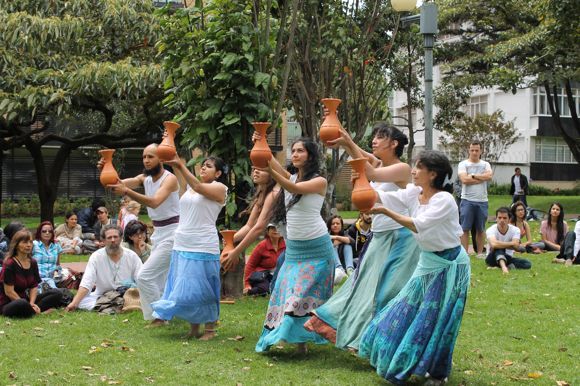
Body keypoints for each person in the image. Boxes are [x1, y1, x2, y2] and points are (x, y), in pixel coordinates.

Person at [305, 123, 421, 351]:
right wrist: (345, 142)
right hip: (380, 236)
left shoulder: (403, 169)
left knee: (390, 290)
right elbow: (364, 158)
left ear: (394, 143)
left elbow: (370, 172)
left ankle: (383, 342)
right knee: (362, 287)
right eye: (374, 136)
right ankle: (365, 339)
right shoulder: (378, 162)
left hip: (402, 238)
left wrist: (347, 141)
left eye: (380, 137)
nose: (374, 140)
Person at [359, 150, 470, 385]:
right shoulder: (413, 193)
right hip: (428, 261)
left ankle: (438, 373)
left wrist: (387, 212)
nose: (413, 171)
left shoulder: (444, 200)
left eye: (418, 167)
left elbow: (420, 226)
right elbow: (380, 196)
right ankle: (398, 361)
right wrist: (361, 183)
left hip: (451, 266)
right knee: (401, 308)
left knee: (439, 318)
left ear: (432, 174)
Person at [255, 138, 335, 354]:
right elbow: (272, 161)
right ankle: (291, 339)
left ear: (310, 155)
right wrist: (261, 140)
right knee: (287, 293)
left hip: (317, 248)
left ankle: (300, 342)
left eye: (301, 150)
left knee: (301, 295)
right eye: (293, 151)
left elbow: (291, 186)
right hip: (295, 249)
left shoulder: (319, 181)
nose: (296, 154)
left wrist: (271, 169)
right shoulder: (290, 176)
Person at [151, 155, 227, 341]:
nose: (203, 168)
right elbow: (185, 183)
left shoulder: (219, 188)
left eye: (208, 167)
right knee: (187, 289)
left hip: (203, 245)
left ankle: (209, 329)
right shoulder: (189, 190)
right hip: (182, 243)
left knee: (204, 288)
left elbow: (199, 187)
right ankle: (194, 328)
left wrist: (180, 164)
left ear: (217, 173)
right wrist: (175, 161)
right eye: (202, 166)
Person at [105, 143, 180, 324]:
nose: (146, 160)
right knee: (160, 279)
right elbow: (118, 183)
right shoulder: (144, 178)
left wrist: (127, 191)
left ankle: (160, 317)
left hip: (174, 233)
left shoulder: (170, 179)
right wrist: (106, 167)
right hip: (159, 233)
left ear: (161, 158)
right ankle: (164, 315)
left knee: (144, 275)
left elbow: (154, 202)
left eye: (151, 156)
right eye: (144, 157)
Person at [220, 167, 280, 299]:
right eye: (254, 169)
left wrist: (235, 252)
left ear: (273, 173)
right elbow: (249, 226)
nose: (255, 172)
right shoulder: (262, 194)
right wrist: (232, 239)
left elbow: (259, 228)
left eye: (262, 169)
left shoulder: (274, 193)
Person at [65, 225, 142, 312]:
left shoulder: (131, 256)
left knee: (141, 298)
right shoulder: (96, 257)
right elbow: (87, 282)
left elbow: (141, 279)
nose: (113, 240)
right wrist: (74, 303)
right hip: (102, 295)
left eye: (115, 237)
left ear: (121, 238)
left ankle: (112, 306)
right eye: (109, 238)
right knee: (81, 302)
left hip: (127, 295)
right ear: (104, 240)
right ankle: (117, 306)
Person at [0, 230, 63, 318]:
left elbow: (34, 286)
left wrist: (32, 303)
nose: (29, 245)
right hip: (10, 303)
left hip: (26, 300)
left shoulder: (33, 262)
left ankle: (33, 310)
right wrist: (28, 305)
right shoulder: (9, 264)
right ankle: (39, 313)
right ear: (16, 245)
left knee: (57, 293)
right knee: (21, 303)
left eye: (30, 242)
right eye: (25, 242)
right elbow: (9, 292)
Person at [458, 141, 493, 257]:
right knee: (465, 228)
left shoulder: (485, 164)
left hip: (482, 201)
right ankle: (464, 253)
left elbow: (489, 176)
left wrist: (472, 175)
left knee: (481, 229)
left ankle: (479, 253)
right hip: (467, 200)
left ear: (481, 151)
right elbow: (464, 180)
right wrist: (481, 178)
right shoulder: (463, 164)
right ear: (469, 150)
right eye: (472, 150)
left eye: (477, 150)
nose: (474, 152)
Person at [485, 207, 532, 274]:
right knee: (498, 248)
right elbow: (494, 245)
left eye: (504, 218)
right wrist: (511, 244)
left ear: (509, 219)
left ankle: (499, 267)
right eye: (499, 217)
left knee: (527, 264)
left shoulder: (515, 230)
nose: (502, 220)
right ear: (496, 219)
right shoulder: (491, 229)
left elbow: (516, 246)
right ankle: (504, 268)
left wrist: (501, 244)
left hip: (508, 257)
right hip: (492, 257)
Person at [244, 224, 286, 296]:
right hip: (262, 275)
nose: (276, 230)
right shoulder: (261, 246)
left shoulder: (286, 244)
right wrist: (247, 284)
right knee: (264, 288)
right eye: (273, 228)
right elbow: (250, 265)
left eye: (278, 228)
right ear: (267, 231)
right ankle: (250, 291)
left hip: (279, 274)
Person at [32, 221, 63, 289]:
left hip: (52, 278)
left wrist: (57, 272)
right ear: (39, 232)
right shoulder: (34, 245)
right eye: (44, 231)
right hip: (37, 278)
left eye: (50, 231)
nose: (47, 233)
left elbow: (58, 264)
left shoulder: (56, 246)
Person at [327, 215, 355, 283]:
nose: (335, 225)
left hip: (345, 262)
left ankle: (350, 269)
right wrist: (335, 243)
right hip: (332, 265)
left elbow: (352, 241)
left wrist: (335, 237)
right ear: (329, 226)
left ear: (341, 225)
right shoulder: (326, 236)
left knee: (347, 245)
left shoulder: (345, 233)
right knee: (332, 247)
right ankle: (340, 269)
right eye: (333, 224)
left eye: (338, 223)